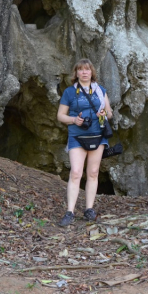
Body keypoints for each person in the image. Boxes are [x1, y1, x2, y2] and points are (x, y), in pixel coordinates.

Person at [56, 59, 113, 227]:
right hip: (77, 136)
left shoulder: (100, 90)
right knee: (75, 172)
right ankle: (70, 211)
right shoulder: (69, 92)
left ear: (91, 72)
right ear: (76, 73)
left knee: (93, 172)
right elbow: (61, 116)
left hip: (98, 135)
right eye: (80, 70)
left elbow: (109, 113)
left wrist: (105, 113)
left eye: (87, 69)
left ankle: (89, 209)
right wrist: (74, 119)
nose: (84, 72)